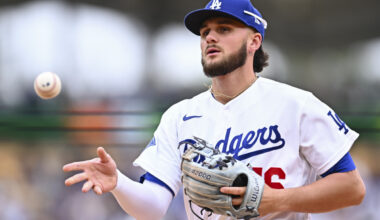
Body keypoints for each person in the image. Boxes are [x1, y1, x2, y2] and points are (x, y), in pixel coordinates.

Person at [63, 0, 366, 219]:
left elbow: (352, 188)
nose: (209, 36)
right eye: (205, 31)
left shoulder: (297, 104)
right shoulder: (180, 116)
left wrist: (275, 200)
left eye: (223, 28)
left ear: (253, 42)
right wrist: (120, 184)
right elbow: (153, 207)